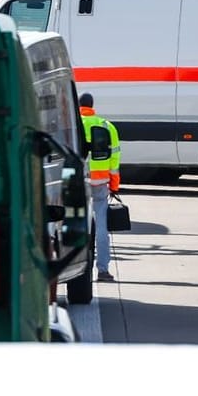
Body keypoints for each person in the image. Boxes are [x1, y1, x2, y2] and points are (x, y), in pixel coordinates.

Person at [79, 92, 122, 282]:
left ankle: (75, 268)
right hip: (100, 183)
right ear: (92, 105)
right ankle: (103, 270)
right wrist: (114, 186)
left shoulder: (71, 123)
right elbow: (115, 162)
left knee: (73, 224)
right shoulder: (107, 126)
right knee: (101, 227)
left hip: (75, 183)